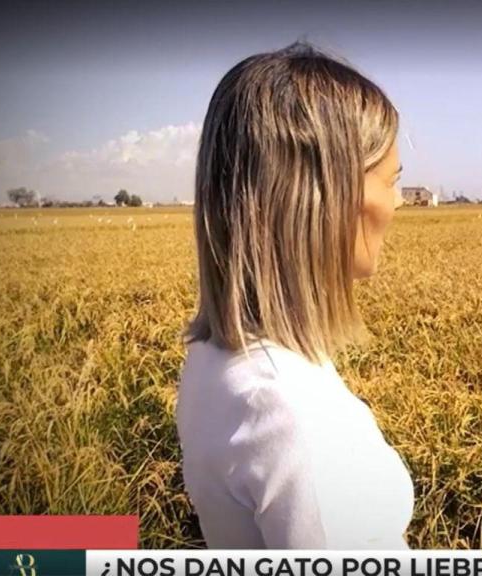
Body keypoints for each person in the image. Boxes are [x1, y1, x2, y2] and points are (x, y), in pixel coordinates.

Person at [175, 42, 410, 549]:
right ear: (329, 196)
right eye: (391, 181)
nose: (398, 202)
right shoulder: (292, 416)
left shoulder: (214, 358)